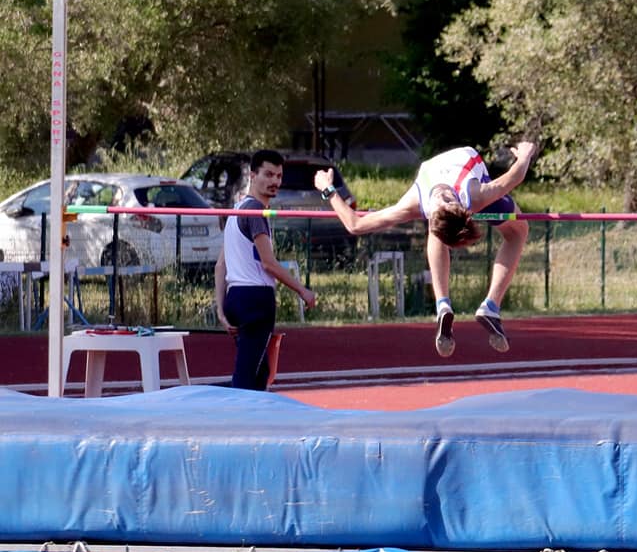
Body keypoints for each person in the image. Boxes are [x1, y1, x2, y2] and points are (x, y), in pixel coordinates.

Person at [314, 142, 537, 357]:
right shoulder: (474, 195)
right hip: (471, 177)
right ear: (461, 207)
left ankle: (443, 304)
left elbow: (355, 225)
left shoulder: (415, 203)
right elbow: (516, 175)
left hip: (445, 187)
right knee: (518, 231)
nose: (443, 197)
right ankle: (489, 306)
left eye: (443, 203)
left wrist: (328, 189)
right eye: (448, 201)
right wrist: (525, 154)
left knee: (440, 227)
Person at [215, 149, 318, 390]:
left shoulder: (235, 210)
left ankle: (250, 421)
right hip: (255, 300)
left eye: (279, 176)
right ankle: (224, 418)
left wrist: (221, 309)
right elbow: (268, 263)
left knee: (260, 372)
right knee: (246, 376)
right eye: (268, 174)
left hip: (235, 299)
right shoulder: (255, 213)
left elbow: (221, 265)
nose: (275, 182)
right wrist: (302, 290)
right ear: (253, 175)